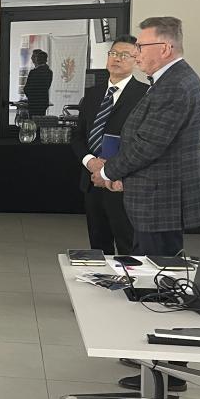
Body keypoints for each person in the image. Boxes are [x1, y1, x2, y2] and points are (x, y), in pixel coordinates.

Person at [87, 17, 200, 395]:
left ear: (165, 48)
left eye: (142, 47)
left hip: (161, 198)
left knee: (162, 284)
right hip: (153, 194)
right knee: (154, 278)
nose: (136, 54)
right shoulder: (168, 80)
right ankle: (154, 358)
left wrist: (109, 172)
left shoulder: (177, 85)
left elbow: (149, 144)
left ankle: (167, 372)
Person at [70, 36, 147, 255]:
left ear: (137, 60)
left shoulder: (144, 95)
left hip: (123, 183)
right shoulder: (93, 94)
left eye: (124, 55)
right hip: (93, 180)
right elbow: (78, 136)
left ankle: (127, 278)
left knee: (128, 246)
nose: (117, 59)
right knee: (98, 245)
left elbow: (144, 142)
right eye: (113, 53)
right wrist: (91, 162)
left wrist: (111, 169)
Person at [23, 49, 53, 119]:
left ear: (37, 59)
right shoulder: (49, 72)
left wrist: (30, 96)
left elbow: (27, 88)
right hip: (43, 101)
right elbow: (47, 86)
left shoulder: (33, 72)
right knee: (41, 121)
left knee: (32, 122)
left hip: (33, 102)